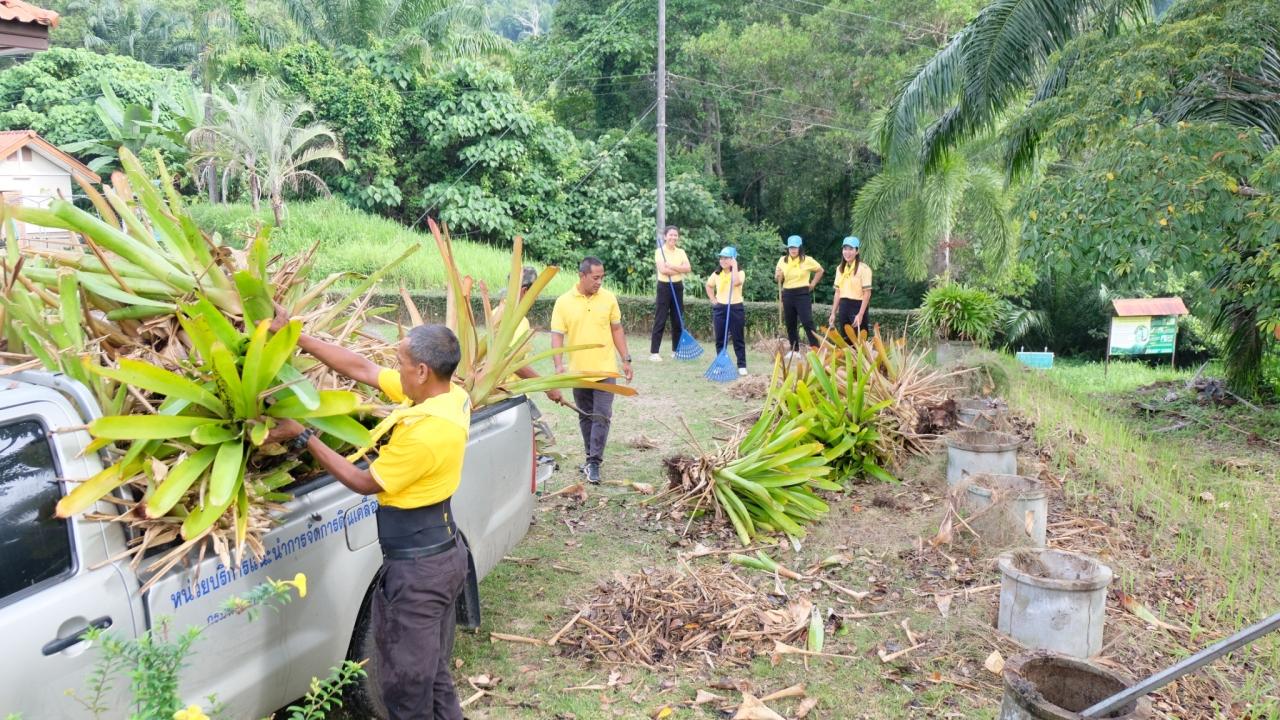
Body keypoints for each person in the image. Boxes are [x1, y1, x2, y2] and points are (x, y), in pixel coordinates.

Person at [264, 318, 471, 720]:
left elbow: (363, 481)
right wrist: (295, 334)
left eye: (400, 362)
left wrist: (303, 436)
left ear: (422, 371)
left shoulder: (428, 433)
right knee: (432, 675)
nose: (395, 369)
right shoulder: (448, 396)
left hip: (419, 571)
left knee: (406, 688)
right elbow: (364, 369)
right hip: (440, 555)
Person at [550, 257, 633, 484]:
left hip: (606, 370)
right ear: (582, 275)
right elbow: (557, 335)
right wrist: (558, 365)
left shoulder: (609, 298)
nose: (599, 282)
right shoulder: (563, 302)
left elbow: (617, 329)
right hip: (579, 372)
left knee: (602, 416)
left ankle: (594, 462)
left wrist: (626, 359)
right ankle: (590, 459)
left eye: (601, 277)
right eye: (595, 278)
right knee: (585, 416)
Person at [500, 267, 564, 462]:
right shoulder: (517, 320)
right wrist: (547, 387)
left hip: (501, 394)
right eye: (536, 291)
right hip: (511, 396)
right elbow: (513, 362)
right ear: (526, 291)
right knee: (545, 448)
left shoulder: (497, 312)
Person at [774, 235, 824, 353]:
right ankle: (794, 350)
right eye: (791, 247)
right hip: (787, 293)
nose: (793, 250)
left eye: (795, 247)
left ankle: (816, 348)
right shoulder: (782, 260)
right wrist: (778, 275)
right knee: (790, 323)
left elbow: (820, 270)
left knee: (807, 321)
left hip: (802, 293)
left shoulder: (807, 260)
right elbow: (778, 278)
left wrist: (813, 284)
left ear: (800, 247)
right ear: (788, 248)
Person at [649, 225, 691, 362]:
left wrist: (672, 266)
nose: (673, 237)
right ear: (665, 237)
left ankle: (676, 351)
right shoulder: (659, 251)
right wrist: (680, 269)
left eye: (675, 235)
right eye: (671, 235)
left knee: (677, 319)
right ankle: (654, 352)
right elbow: (663, 270)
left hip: (678, 287)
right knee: (660, 319)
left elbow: (688, 268)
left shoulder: (681, 252)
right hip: (664, 287)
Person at [705, 246, 747, 376]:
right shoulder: (716, 274)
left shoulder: (740, 273)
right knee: (720, 339)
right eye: (721, 258)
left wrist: (734, 266)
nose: (723, 261)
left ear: (733, 259)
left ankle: (742, 365)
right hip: (720, 308)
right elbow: (709, 286)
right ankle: (721, 364)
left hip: (735, 307)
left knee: (738, 338)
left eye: (726, 258)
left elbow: (736, 283)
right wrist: (713, 299)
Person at [828, 236, 873, 344]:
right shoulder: (840, 269)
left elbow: (867, 293)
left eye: (851, 249)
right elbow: (837, 292)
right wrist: (833, 313)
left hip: (858, 306)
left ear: (857, 251)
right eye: (845, 249)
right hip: (844, 306)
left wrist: (860, 314)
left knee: (860, 340)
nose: (847, 252)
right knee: (845, 339)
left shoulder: (864, 269)